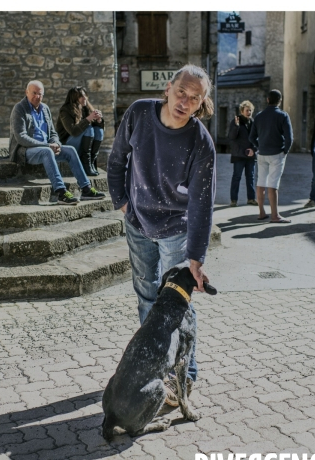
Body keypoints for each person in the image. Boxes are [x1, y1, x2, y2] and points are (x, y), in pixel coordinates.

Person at [107, 64, 216, 407]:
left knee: (178, 305)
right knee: (146, 297)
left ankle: (185, 374)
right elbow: (117, 159)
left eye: (194, 98)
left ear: (201, 104)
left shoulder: (201, 143)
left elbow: (202, 205)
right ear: (168, 89)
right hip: (137, 223)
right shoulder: (140, 113)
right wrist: (121, 202)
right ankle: (154, 365)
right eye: (181, 92)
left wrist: (196, 259)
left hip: (175, 232)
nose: (185, 101)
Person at [9, 80, 105, 205]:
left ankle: (86, 188)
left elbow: (53, 134)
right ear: (26, 92)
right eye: (34, 93)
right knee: (47, 151)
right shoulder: (19, 108)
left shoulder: (45, 109)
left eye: (40, 94)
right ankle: (61, 192)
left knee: (70, 150)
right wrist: (48, 145)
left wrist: (57, 144)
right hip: (26, 150)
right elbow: (21, 137)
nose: (37, 97)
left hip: (46, 147)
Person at [249, 89, 293, 223]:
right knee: (273, 184)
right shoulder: (283, 115)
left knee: (261, 183)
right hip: (276, 153)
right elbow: (289, 138)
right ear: (280, 101)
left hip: (262, 153)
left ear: (267, 100)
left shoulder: (259, 116)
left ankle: (261, 212)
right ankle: (275, 215)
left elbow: (251, 137)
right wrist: (284, 151)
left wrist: (258, 146)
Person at [56, 87, 104, 176]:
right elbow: (73, 131)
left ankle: (91, 162)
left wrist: (99, 120)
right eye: (81, 96)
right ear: (74, 98)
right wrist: (88, 119)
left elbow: (96, 131)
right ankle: (86, 164)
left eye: (85, 95)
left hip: (82, 142)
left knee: (99, 131)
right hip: (66, 143)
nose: (84, 98)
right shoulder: (65, 110)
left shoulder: (86, 108)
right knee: (88, 129)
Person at [227, 100, 257, 207]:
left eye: (250, 110)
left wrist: (253, 149)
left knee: (251, 177)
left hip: (251, 155)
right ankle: (234, 200)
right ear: (242, 111)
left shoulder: (253, 123)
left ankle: (251, 198)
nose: (249, 112)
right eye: (247, 110)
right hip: (239, 155)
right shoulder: (236, 121)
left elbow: (257, 138)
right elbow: (231, 137)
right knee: (237, 177)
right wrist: (236, 126)